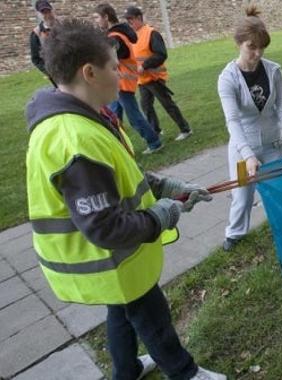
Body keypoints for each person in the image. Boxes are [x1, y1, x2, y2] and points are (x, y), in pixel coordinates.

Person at [25, 18, 225, 380]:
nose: (123, 74)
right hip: (110, 258)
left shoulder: (88, 117)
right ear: (89, 72)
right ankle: (186, 374)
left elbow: (118, 176)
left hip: (114, 263)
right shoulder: (74, 138)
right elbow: (105, 227)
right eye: (115, 67)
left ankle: (126, 371)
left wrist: (164, 185)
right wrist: (162, 215)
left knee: (121, 313)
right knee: (153, 320)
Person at [217, 6, 282, 251]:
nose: (257, 53)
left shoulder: (273, 71)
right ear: (238, 43)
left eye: (261, 47)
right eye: (251, 47)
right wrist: (249, 156)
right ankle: (235, 233)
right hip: (243, 150)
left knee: (280, 190)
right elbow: (232, 122)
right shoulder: (227, 78)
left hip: (273, 145)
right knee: (242, 196)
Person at [93, 3, 164, 155]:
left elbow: (120, 55)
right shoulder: (115, 34)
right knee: (113, 116)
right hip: (117, 81)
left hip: (122, 80)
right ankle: (120, 147)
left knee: (133, 116)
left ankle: (154, 141)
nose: (96, 21)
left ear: (106, 17)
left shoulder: (115, 36)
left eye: (98, 17)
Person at [124, 6, 193, 141]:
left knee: (167, 104)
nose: (129, 22)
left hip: (155, 77)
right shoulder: (133, 36)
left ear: (139, 17)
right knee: (146, 106)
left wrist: (144, 66)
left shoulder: (151, 33)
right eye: (127, 20)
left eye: (130, 19)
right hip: (143, 79)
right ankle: (155, 130)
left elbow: (161, 54)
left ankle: (185, 129)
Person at [29, 0, 59, 77]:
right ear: (39, 15)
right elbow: (36, 59)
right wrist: (49, 72)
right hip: (55, 73)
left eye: (49, 11)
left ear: (53, 11)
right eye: (44, 12)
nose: (48, 15)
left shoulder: (65, 26)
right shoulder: (36, 33)